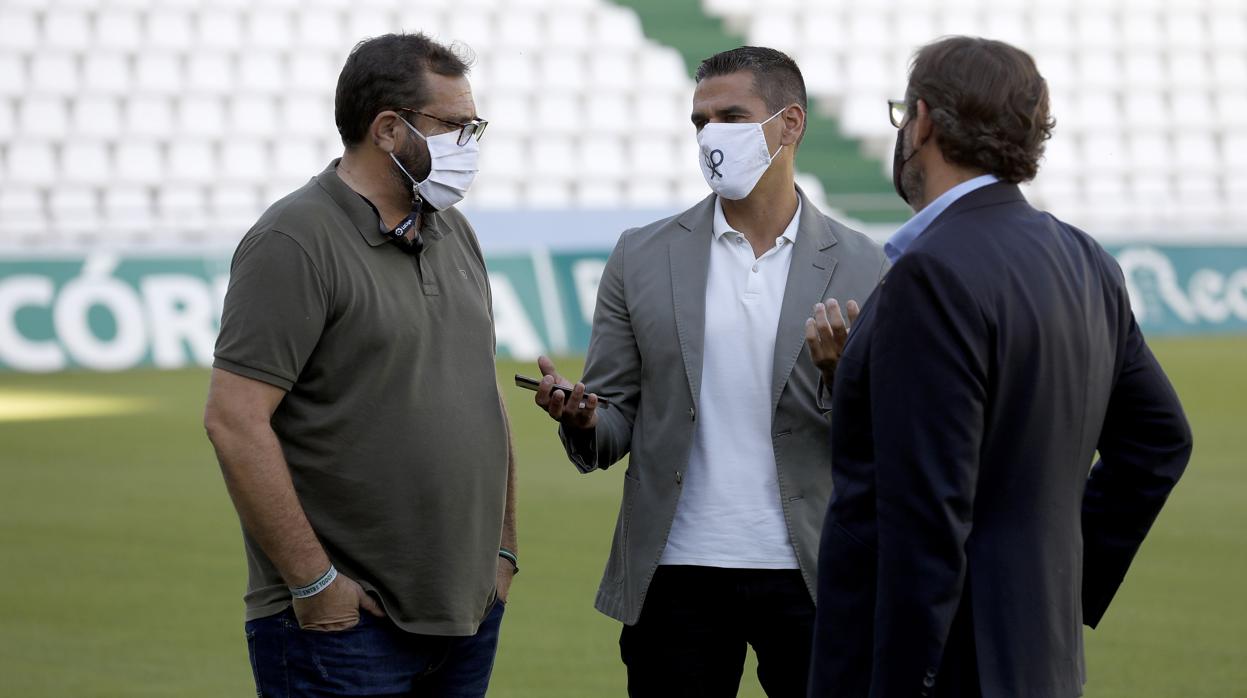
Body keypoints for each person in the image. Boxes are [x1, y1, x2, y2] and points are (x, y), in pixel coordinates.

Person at [805, 36, 1193, 698]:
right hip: (1038, 656)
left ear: (922, 121)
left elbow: (926, 517)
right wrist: (1053, 581)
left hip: (947, 669)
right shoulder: (1084, 260)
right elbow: (1156, 441)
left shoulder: (927, 274)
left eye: (903, 115)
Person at [532, 46, 888, 697]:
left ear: (790, 124)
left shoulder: (867, 266)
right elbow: (611, 421)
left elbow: (887, 442)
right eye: (700, 121)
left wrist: (841, 377)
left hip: (815, 571)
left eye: (731, 115)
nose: (710, 135)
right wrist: (583, 415)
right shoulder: (640, 256)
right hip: (675, 574)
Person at [202, 33, 518, 697]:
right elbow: (234, 421)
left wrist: (503, 553)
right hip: (343, 629)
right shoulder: (293, 239)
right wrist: (313, 583)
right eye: (456, 127)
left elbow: (479, 399)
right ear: (387, 129)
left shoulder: (454, 232)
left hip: (465, 615)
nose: (471, 144)